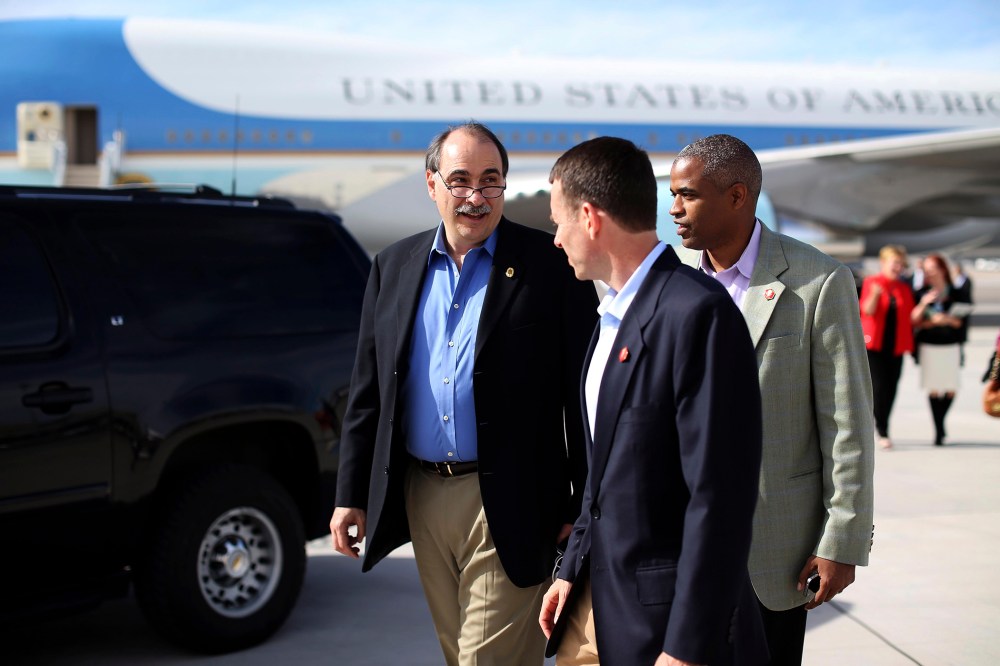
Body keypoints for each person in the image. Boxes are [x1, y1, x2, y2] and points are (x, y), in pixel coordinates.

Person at [330, 121, 597, 665]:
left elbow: (583, 396)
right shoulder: (392, 266)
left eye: (490, 181)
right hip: (422, 496)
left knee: (484, 660)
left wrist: (583, 504)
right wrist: (349, 492)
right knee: (460, 655)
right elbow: (369, 391)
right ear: (431, 185)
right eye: (459, 181)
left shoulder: (551, 265)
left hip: (514, 498)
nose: (476, 197)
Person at [539, 136, 768, 666]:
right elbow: (602, 481)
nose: (555, 239)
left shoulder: (697, 314)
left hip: (667, 628)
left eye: (558, 222)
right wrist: (571, 571)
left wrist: (686, 646)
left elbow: (720, 500)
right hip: (601, 607)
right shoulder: (609, 320)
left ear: (591, 218)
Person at [669, 134, 875, 666]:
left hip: (776, 550)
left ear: (738, 197)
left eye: (687, 195)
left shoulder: (818, 281)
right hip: (685, 548)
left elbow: (847, 422)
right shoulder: (672, 286)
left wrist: (842, 540)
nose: (674, 209)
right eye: (672, 194)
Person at [911, 253, 972, 445]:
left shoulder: (956, 291)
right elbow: (914, 320)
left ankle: (941, 423)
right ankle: (938, 432)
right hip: (930, 345)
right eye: (926, 268)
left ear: (942, 269)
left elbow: (962, 320)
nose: (929, 272)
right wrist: (924, 306)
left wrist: (947, 320)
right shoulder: (922, 292)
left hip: (951, 344)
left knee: (951, 388)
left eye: (932, 268)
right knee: (934, 389)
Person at [860, 245, 916, 450]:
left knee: (892, 388)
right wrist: (875, 295)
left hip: (896, 346)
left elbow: (910, 316)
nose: (899, 267)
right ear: (883, 263)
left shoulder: (903, 288)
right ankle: (880, 429)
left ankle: (883, 425)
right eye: (896, 263)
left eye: (902, 264)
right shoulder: (871, 282)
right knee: (878, 387)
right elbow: (866, 310)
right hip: (874, 345)